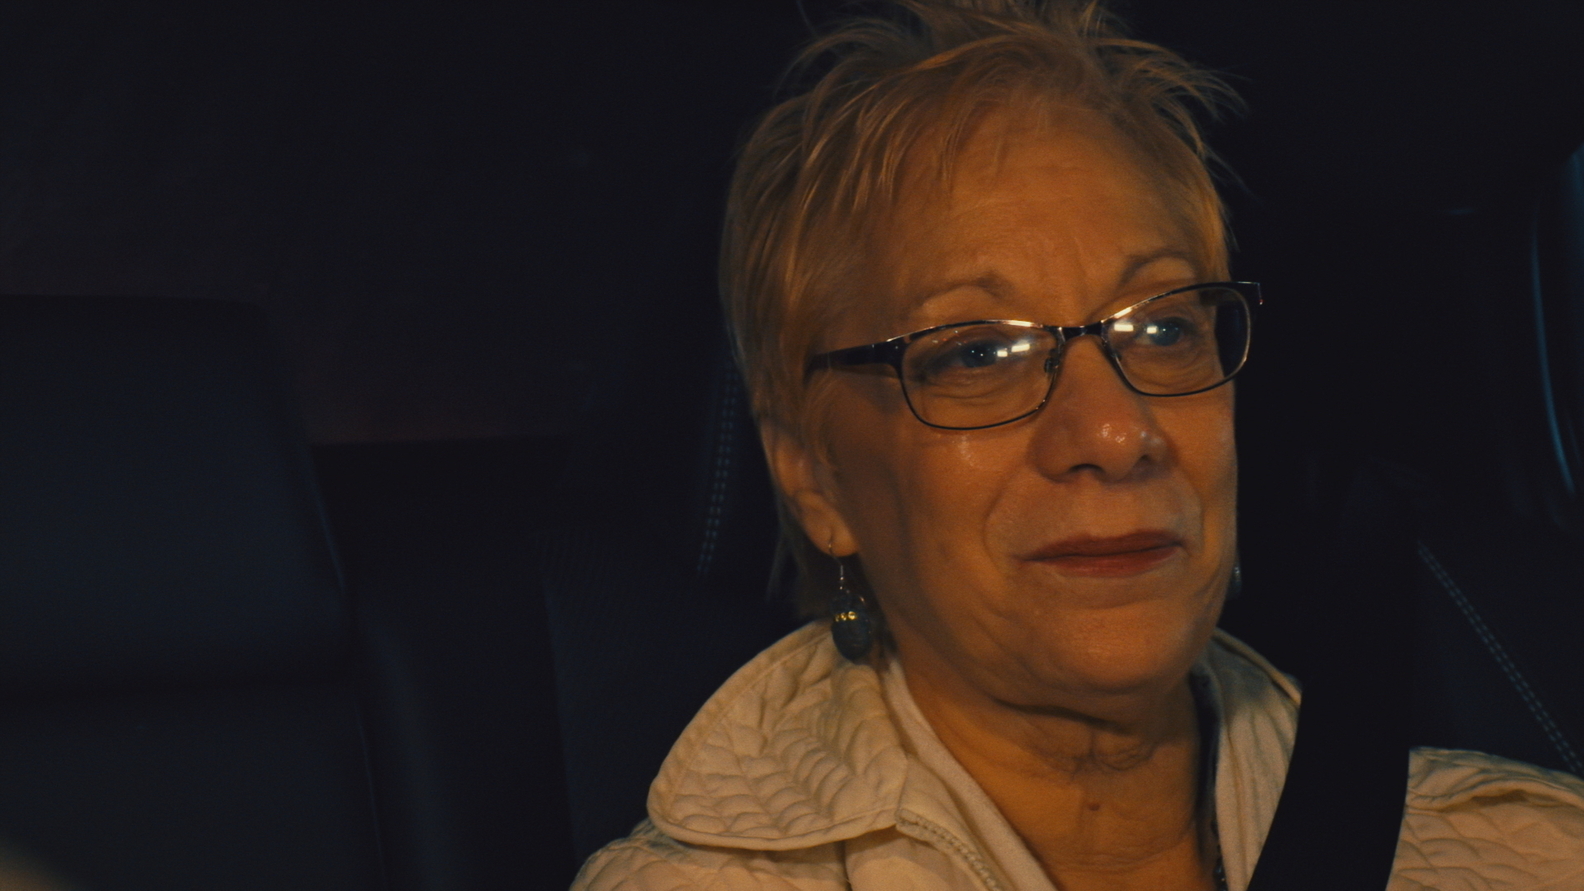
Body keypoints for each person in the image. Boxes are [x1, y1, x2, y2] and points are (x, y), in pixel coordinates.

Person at [574, 1, 1584, 888]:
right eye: (977, 352)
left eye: (1164, 329)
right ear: (812, 476)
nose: (1115, 432)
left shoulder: (1531, 851)